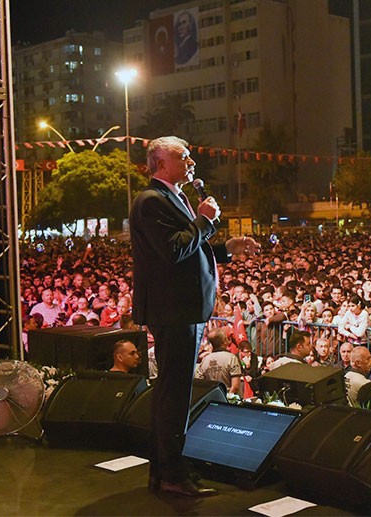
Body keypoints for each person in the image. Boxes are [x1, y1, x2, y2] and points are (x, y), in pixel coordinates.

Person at [130, 135, 258, 498]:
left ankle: (164, 470)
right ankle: (171, 473)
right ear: (161, 163)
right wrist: (204, 220)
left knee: (172, 391)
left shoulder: (173, 198)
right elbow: (173, 250)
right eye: (184, 157)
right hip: (173, 309)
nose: (192, 163)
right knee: (173, 394)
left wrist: (225, 249)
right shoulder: (152, 200)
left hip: (182, 308)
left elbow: (191, 247)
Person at [194, 328, 241, 393]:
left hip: (211, 399)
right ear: (224, 341)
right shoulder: (231, 358)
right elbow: (235, 386)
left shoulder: (205, 360)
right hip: (226, 398)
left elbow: (199, 384)